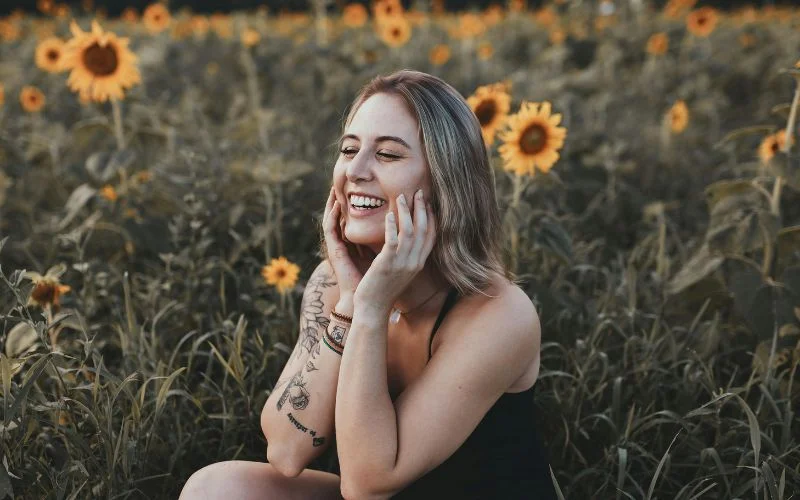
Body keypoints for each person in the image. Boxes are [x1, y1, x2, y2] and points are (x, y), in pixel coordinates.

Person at [179, 69, 558, 499]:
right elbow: (286, 451)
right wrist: (348, 303)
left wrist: (372, 307)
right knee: (218, 487)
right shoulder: (334, 282)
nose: (355, 171)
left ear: (444, 182)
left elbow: (367, 484)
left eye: (389, 155)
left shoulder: (498, 313)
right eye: (349, 149)